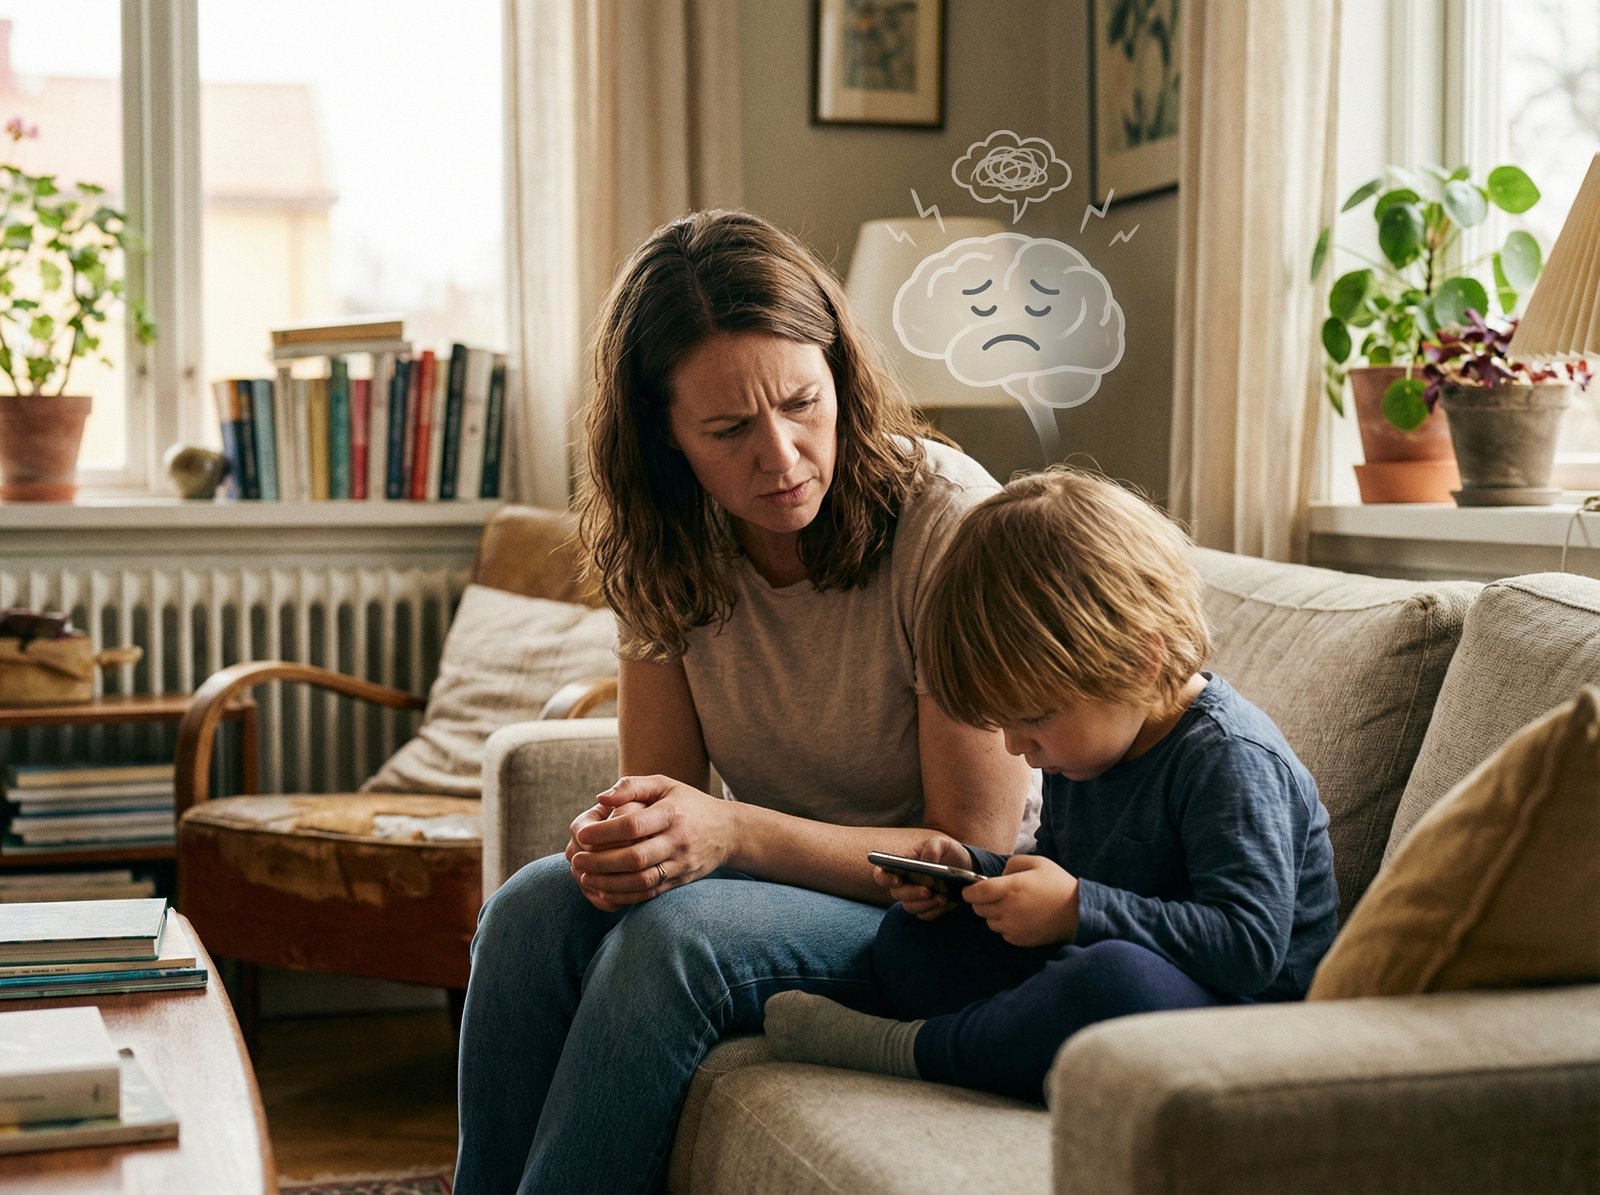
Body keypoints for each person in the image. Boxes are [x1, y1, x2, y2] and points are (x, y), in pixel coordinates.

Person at [453, 209, 1036, 1194]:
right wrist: (634, 839)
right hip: (786, 896)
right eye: (727, 429)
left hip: (953, 916)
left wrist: (726, 833)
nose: (782, 456)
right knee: (529, 910)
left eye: (804, 403)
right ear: (664, 435)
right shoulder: (659, 543)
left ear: (841, 377)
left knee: (672, 944)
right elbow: (669, 800)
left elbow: (968, 846)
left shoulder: (949, 523)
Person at [764, 467, 1339, 1104]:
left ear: (1139, 662)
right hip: (1105, 966)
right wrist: (974, 873)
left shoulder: (1230, 760)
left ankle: (916, 1050)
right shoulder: (1087, 751)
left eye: (1033, 719)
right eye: (1004, 723)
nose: (1016, 748)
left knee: (1109, 981)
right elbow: (1062, 870)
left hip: (1238, 1023)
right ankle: (1013, 1041)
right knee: (913, 937)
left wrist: (1076, 910)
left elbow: (1248, 947)